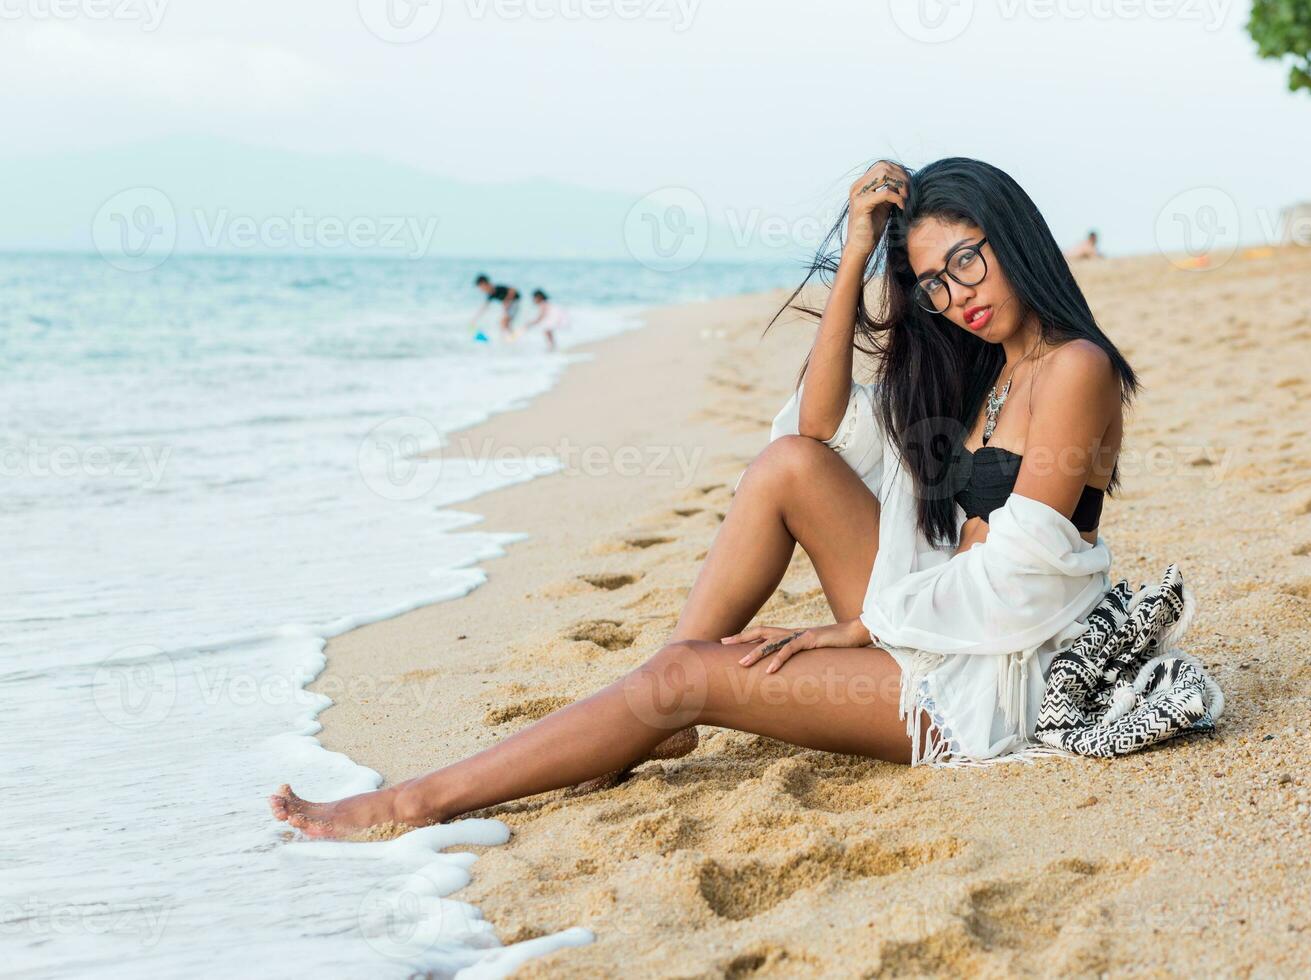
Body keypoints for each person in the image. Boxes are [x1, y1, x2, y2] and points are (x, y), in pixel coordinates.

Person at [270, 158, 1139, 837]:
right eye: (935, 282)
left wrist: (864, 625)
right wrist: (851, 261)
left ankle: (421, 801)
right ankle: (657, 711)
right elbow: (817, 423)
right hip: (942, 626)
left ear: (1013, 235)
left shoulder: (1075, 369)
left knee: (683, 675)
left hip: (992, 682)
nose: (959, 297)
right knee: (788, 466)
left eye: (968, 260)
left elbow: (1020, 582)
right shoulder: (982, 363)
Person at [472, 274, 520, 339]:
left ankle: (508, 339)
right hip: (508, 305)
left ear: (485, 284)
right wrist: (475, 318)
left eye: (481, 287)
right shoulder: (490, 295)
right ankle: (512, 338)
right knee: (504, 323)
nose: (482, 290)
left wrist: (507, 300)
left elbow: (513, 290)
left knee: (504, 322)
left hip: (514, 302)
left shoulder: (497, 288)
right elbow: (485, 307)